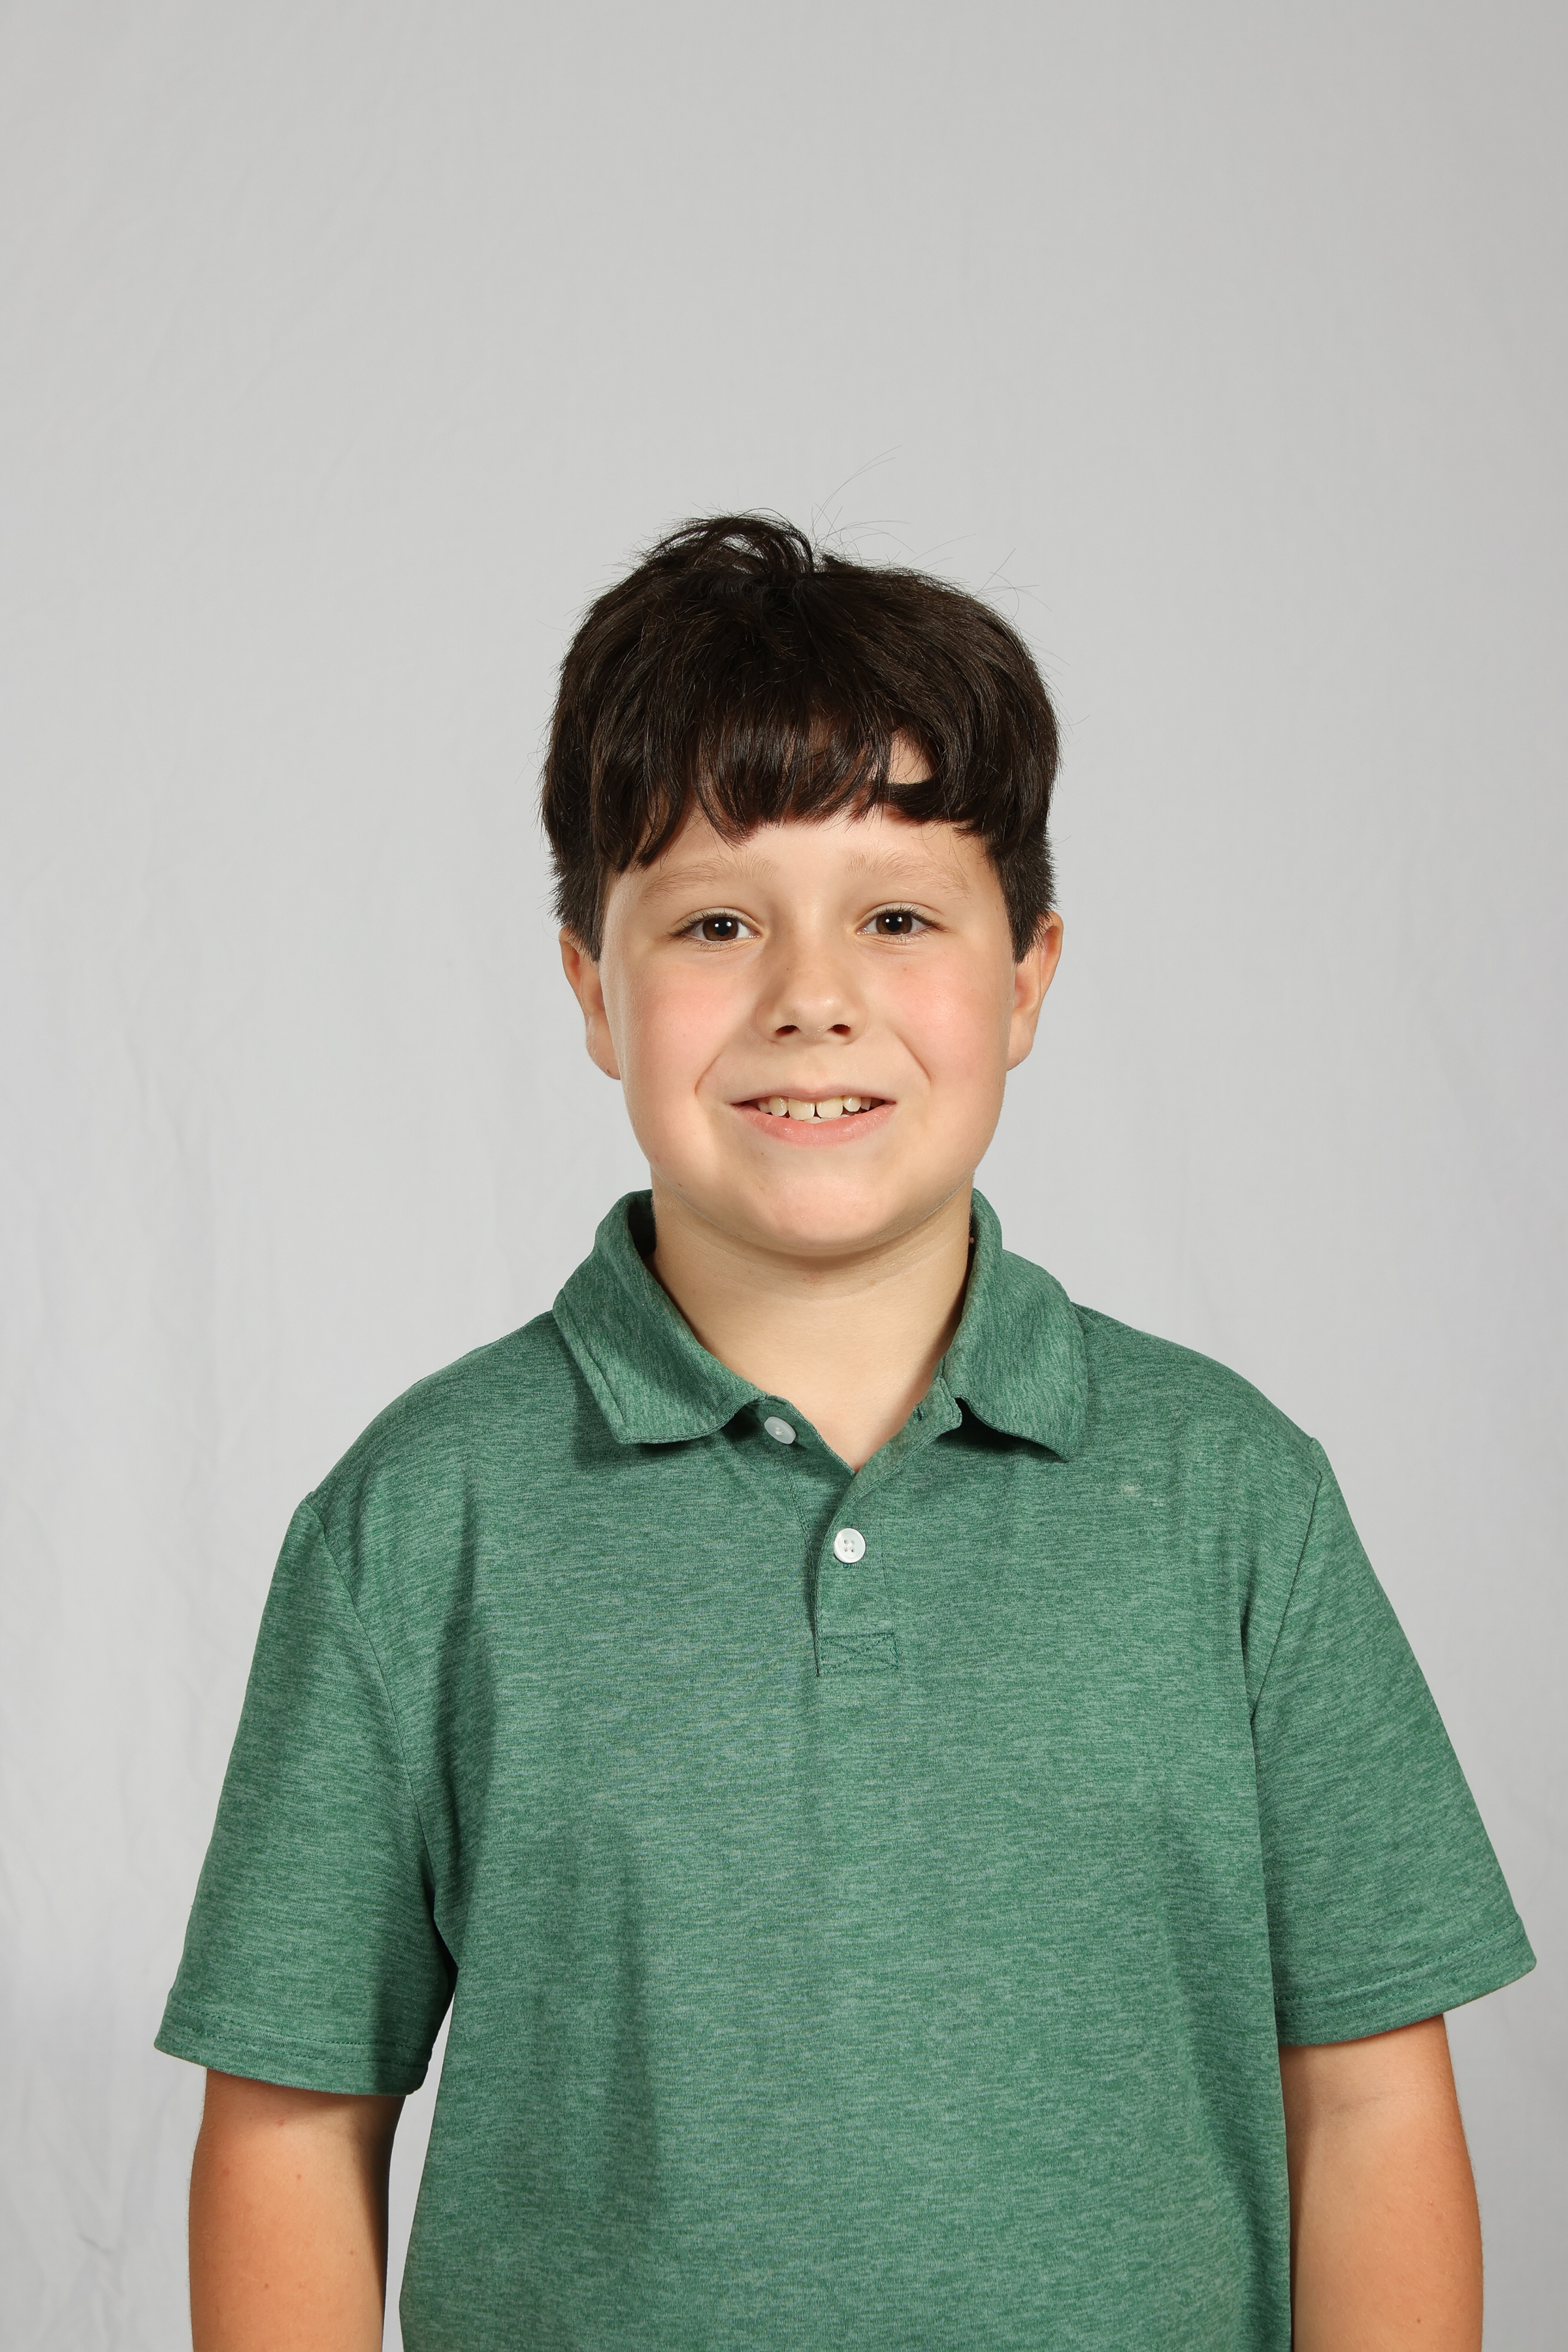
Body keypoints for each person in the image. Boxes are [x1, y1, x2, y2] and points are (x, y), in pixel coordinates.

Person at [157, 515, 1534, 2351]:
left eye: (896, 917)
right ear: (592, 990)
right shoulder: (418, 1522)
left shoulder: (1232, 1499)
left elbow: (1369, 2106)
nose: (812, 995)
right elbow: (289, 2127)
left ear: (1028, 977)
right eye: (717, 923)